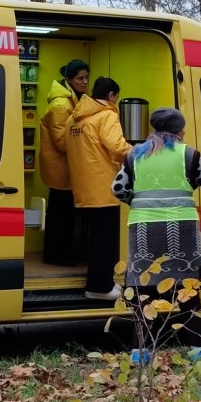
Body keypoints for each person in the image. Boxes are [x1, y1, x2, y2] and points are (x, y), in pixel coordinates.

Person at [113, 108, 201, 356]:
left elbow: (118, 188)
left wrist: (137, 202)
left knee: (144, 290)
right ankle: (196, 349)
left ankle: (141, 353)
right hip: (181, 230)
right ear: (179, 130)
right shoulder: (187, 154)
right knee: (187, 288)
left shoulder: (135, 155)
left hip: (142, 230)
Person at [66, 76, 130, 299]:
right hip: (103, 187)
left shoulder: (74, 119)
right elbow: (118, 146)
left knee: (94, 241)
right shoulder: (106, 116)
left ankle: (97, 284)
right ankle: (100, 287)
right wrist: (139, 152)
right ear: (111, 96)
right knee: (105, 242)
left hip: (82, 188)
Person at [40, 58, 89, 267]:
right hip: (60, 171)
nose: (85, 82)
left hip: (66, 170)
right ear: (69, 79)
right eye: (80, 78)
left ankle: (59, 254)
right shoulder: (61, 105)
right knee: (61, 218)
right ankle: (56, 255)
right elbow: (61, 142)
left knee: (63, 216)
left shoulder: (71, 100)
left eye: (86, 77)